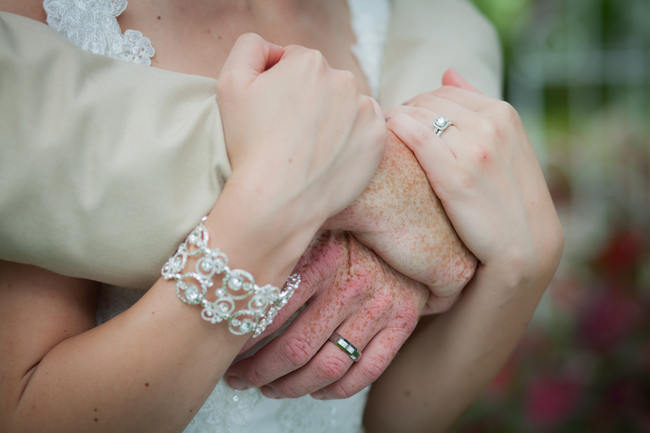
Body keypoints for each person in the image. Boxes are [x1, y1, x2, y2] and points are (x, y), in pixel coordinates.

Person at [0, 1, 563, 432]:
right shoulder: (47, 26)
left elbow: (387, 417)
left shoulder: (396, 22)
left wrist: (521, 263)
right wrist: (271, 211)